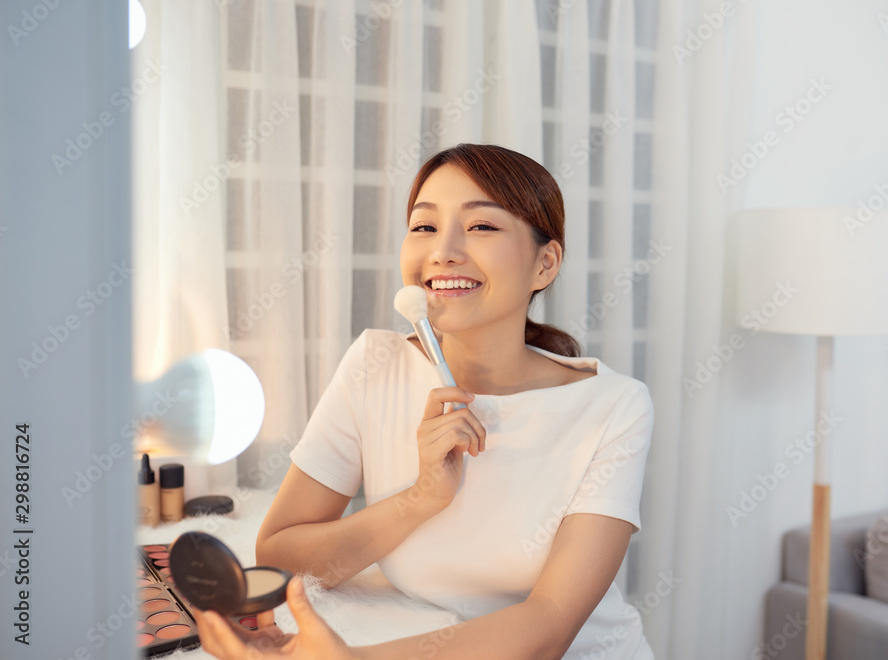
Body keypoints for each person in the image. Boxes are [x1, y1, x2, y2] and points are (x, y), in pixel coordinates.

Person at [198, 143, 655, 659]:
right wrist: (420, 499)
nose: (443, 250)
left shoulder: (613, 406)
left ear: (544, 264)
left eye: (482, 227)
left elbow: (548, 627)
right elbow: (280, 557)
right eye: (423, 227)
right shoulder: (376, 365)